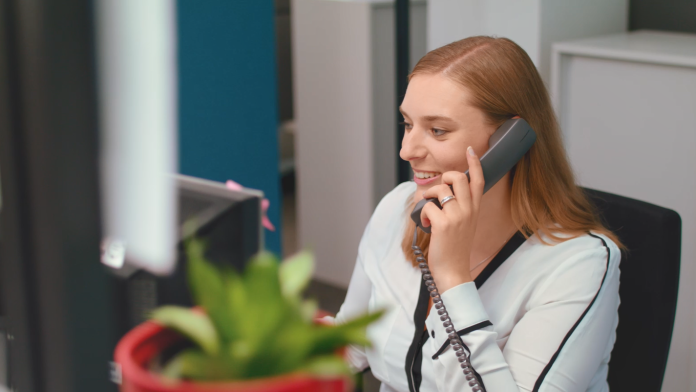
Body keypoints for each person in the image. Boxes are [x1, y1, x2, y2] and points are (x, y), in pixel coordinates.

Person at [330, 36, 622, 392]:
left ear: (509, 140)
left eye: (438, 131)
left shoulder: (579, 264)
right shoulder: (399, 207)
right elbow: (354, 341)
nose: (407, 150)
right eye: (408, 124)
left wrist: (453, 279)